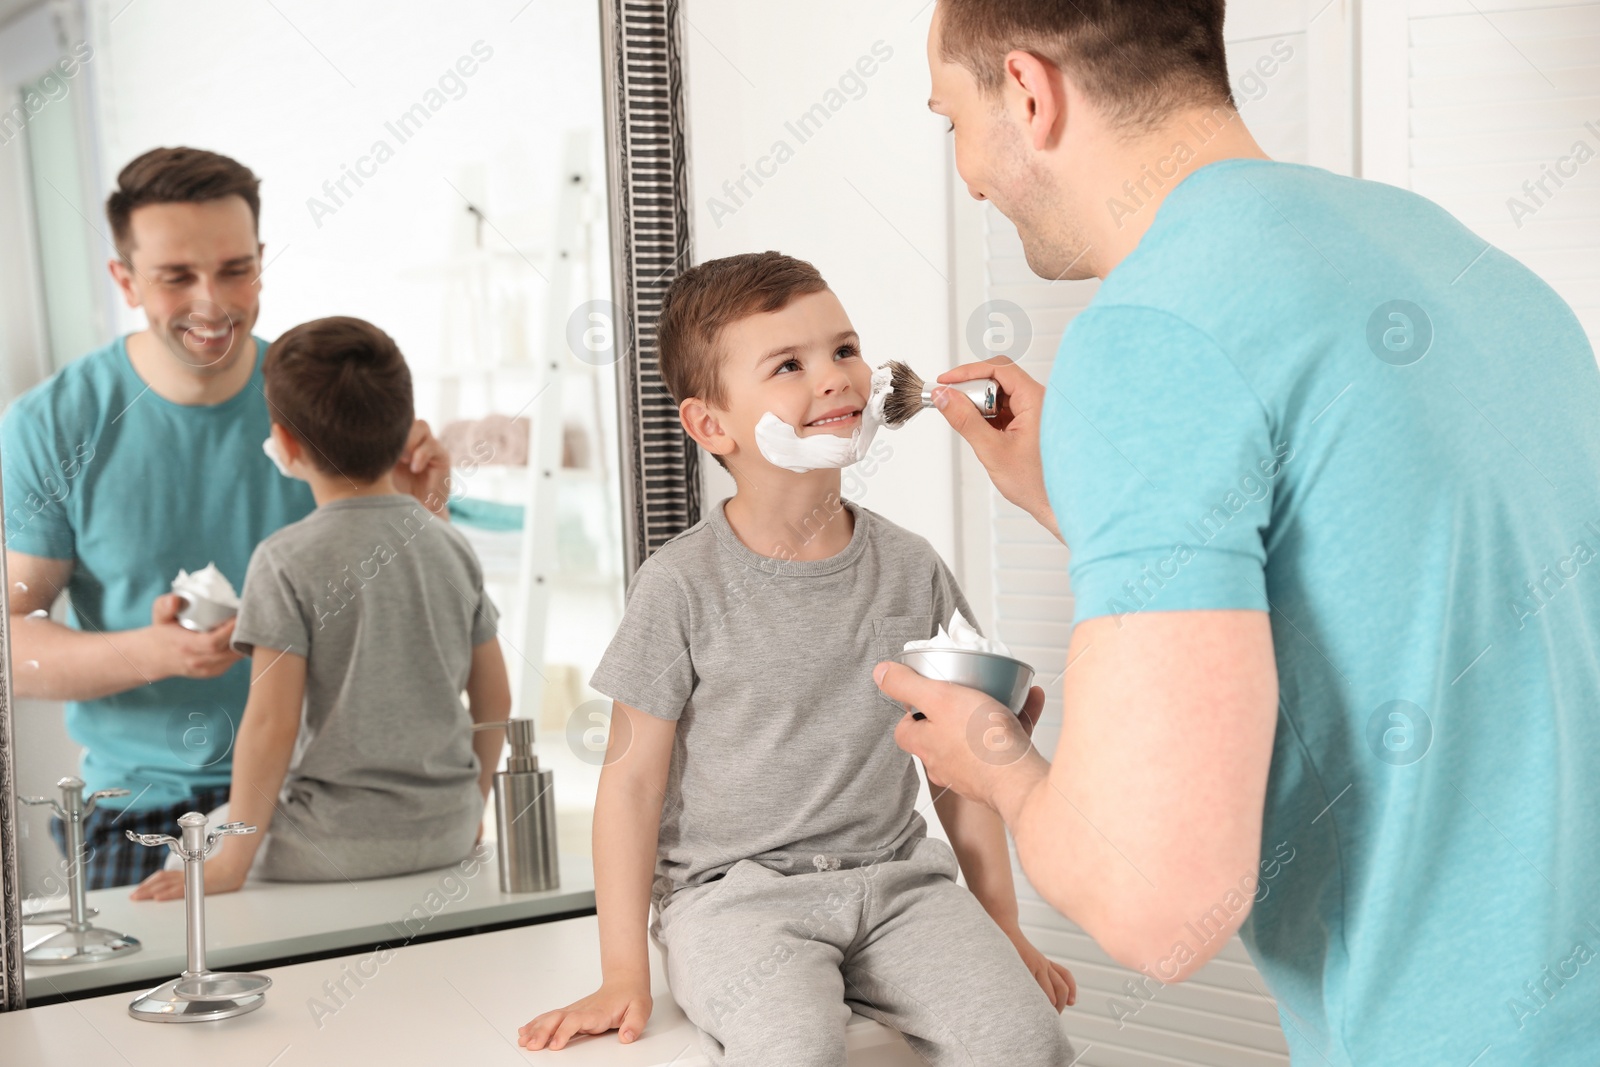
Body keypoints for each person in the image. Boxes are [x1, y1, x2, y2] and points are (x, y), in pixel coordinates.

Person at [873, 2, 1600, 1065]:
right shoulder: (1452, 253)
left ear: (1028, 93)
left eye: (952, 121)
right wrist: (1081, 493)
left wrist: (991, 756)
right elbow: (1387, 589)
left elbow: (1157, 903)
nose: (968, 174)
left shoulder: (1149, 334)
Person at [518, 252, 1076, 1065]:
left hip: (898, 885)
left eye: (845, 350)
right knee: (794, 1045)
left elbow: (960, 771)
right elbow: (632, 781)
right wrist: (621, 972)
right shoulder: (679, 585)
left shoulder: (914, 569)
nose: (836, 377)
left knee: (1028, 1041)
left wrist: (1005, 928)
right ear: (712, 425)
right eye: (790, 364)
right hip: (734, 901)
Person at [1, 148, 451, 889]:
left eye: (236, 269)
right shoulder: (54, 424)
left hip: (329, 795)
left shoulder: (320, 396)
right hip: (146, 809)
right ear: (125, 280)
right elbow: (14, 646)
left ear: (262, 262)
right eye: (177, 276)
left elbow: (421, 611)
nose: (213, 302)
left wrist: (418, 506)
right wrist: (159, 652)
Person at [126, 317, 509, 899]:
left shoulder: (283, 560)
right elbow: (494, 696)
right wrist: (468, 811)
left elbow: (271, 724)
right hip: (448, 829)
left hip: (329, 843)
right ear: (404, 427)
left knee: (201, 841)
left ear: (286, 444)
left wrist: (230, 866)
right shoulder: (448, 541)